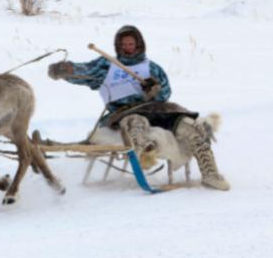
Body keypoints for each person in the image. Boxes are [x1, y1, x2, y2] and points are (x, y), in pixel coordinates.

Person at [47, 25, 229, 190]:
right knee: (136, 123)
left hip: (160, 109)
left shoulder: (151, 67)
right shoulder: (106, 65)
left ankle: (210, 174)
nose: (128, 47)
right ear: (118, 46)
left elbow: (166, 92)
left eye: (131, 43)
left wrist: (155, 89)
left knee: (190, 126)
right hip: (125, 112)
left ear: (139, 44)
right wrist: (67, 69)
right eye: (124, 44)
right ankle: (143, 155)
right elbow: (85, 71)